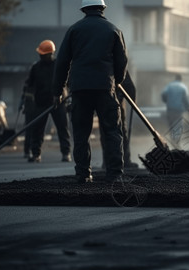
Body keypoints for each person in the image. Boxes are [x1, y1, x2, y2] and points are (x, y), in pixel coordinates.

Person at [52, 0, 128, 183]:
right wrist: (116, 81)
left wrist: (57, 91)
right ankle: (115, 174)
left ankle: (83, 174)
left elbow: (62, 62)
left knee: (81, 133)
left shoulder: (74, 30)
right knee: (111, 131)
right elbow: (122, 61)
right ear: (102, 8)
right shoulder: (113, 30)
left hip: (80, 89)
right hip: (105, 88)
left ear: (84, 9)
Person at [23, 39, 72, 163]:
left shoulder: (59, 65)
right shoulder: (36, 67)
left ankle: (66, 153)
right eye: (40, 54)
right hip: (40, 102)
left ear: (50, 54)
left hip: (58, 102)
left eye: (43, 54)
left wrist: (69, 98)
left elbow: (68, 82)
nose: (41, 55)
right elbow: (29, 85)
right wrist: (27, 103)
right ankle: (36, 154)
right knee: (37, 130)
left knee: (62, 128)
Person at [101, 71, 139, 169]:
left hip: (101, 102)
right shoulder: (114, 61)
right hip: (116, 103)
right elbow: (128, 85)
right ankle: (124, 161)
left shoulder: (91, 61)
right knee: (120, 132)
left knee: (105, 131)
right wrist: (132, 99)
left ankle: (106, 162)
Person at [161, 74, 189, 146]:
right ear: (181, 79)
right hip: (178, 110)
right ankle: (176, 142)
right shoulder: (183, 87)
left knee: (171, 126)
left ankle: (172, 140)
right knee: (177, 126)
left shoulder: (169, 86)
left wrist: (166, 101)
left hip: (170, 110)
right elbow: (185, 99)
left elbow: (163, 95)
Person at [18, 89, 34, 159]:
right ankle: (27, 151)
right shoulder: (29, 84)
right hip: (30, 110)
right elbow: (23, 96)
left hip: (37, 109)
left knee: (34, 131)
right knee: (29, 131)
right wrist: (21, 105)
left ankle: (32, 151)